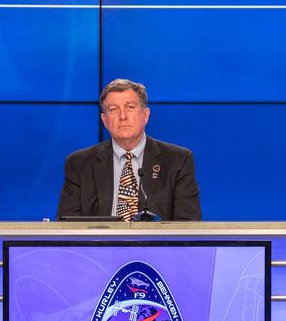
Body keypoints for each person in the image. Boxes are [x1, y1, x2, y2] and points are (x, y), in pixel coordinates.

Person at [57, 78, 201, 221]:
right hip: (99, 244)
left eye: (130, 107)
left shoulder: (178, 160)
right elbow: (66, 228)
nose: (123, 116)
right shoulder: (79, 164)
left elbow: (189, 226)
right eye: (113, 109)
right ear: (105, 120)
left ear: (145, 115)